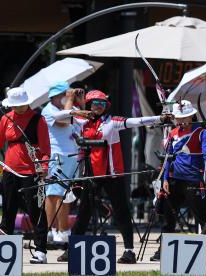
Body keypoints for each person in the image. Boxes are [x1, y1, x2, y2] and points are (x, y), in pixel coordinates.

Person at [55, 90, 168, 264]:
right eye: (94, 104)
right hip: (91, 174)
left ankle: (129, 251)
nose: (98, 107)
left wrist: (159, 119)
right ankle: (72, 250)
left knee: (121, 211)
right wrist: (75, 111)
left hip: (112, 174)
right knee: (84, 212)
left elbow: (136, 121)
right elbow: (57, 117)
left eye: (101, 104)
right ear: (89, 105)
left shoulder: (113, 121)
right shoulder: (81, 120)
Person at [0, 87, 51, 264]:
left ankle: (41, 250)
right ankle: (3, 249)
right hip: (9, 171)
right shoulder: (7, 118)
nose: (18, 108)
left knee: (36, 211)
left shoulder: (38, 120)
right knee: (8, 209)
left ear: (27, 102)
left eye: (21, 104)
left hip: (32, 173)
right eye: (15, 105)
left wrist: (43, 167)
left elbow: (46, 150)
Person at [150, 100, 206, 262]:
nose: (181, 121)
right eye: (178, 118)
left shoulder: (201, 132)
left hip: (194, 180)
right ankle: (164, 250)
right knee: (168, 218)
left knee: (202, 217)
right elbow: (168, 157)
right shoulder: (173, 132)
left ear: (192, 116)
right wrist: (166, 178)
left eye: (185, 117)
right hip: (174, 180)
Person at [41, 81, 85, 244]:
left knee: (66, 195)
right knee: (54, 194)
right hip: (57, 155)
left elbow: (83, 119)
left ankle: (63, 230)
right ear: (55, 97)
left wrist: (80, 102)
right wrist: (70, 99)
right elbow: (64, 119)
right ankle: (52, 231)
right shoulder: (49, 110)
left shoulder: (67, 108)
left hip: (71, 156)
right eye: (65, 95)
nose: (69, 98)